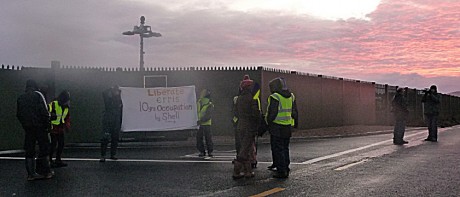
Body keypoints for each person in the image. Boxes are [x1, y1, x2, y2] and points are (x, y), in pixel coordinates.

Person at [16, 79, 54, 181]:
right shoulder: (38, 95)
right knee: (44, 149)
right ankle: (46, 172)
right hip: (40, 126)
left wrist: (25, 125)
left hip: (28, 127)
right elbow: (44, 111)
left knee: (29, 150)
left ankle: (31, 174)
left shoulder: (21, 98)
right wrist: (47, 124)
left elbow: (19, 114)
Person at [265, 77, 298, 179]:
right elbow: (294, 112)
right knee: (285, 148)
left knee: (278, 148)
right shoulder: (291, 96)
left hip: (276, 126)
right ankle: (286, 167)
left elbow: (272, 113)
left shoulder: (275, 97)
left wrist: (267, 123)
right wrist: (295, 124)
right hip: (287, 126)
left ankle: (281, 171)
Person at [232, 75, 261, 179]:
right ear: (249, 87)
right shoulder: (252, 99)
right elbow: (255, 114)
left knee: (246, 148)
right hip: (249, 126)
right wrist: (257, 125)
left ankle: (248, 171)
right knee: (245, 149)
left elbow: (235, 113)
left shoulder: (238, 99)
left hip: (240, 126)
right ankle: (236, 170)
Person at [100, 86, 123, 162]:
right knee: (105, 138)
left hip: (115, 121)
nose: (116, 93)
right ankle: (103, 155)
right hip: (108, 121)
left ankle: (112, 154)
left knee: (115, 138)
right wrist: (110, 88)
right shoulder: (108, 99)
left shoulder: (119, 100)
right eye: (115, 91)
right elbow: (104, 93)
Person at [49, 90, 71, 167]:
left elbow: (67, 117)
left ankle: (58, 159)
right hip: (53, 128)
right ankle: (50, 160)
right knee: (53, 144)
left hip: (60, 128)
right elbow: (47, 113)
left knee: (61, 144)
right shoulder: (54, 104)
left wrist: (67, 126)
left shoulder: (66, 107)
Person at [196, 89, 214, 157]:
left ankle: (203, 152)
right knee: (207, 138)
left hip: (203, 123)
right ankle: (208, 152)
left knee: (202, 138)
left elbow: (208, 115)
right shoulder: (201, 102)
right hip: (202, 123)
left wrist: (200, 121)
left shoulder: (206, 103)